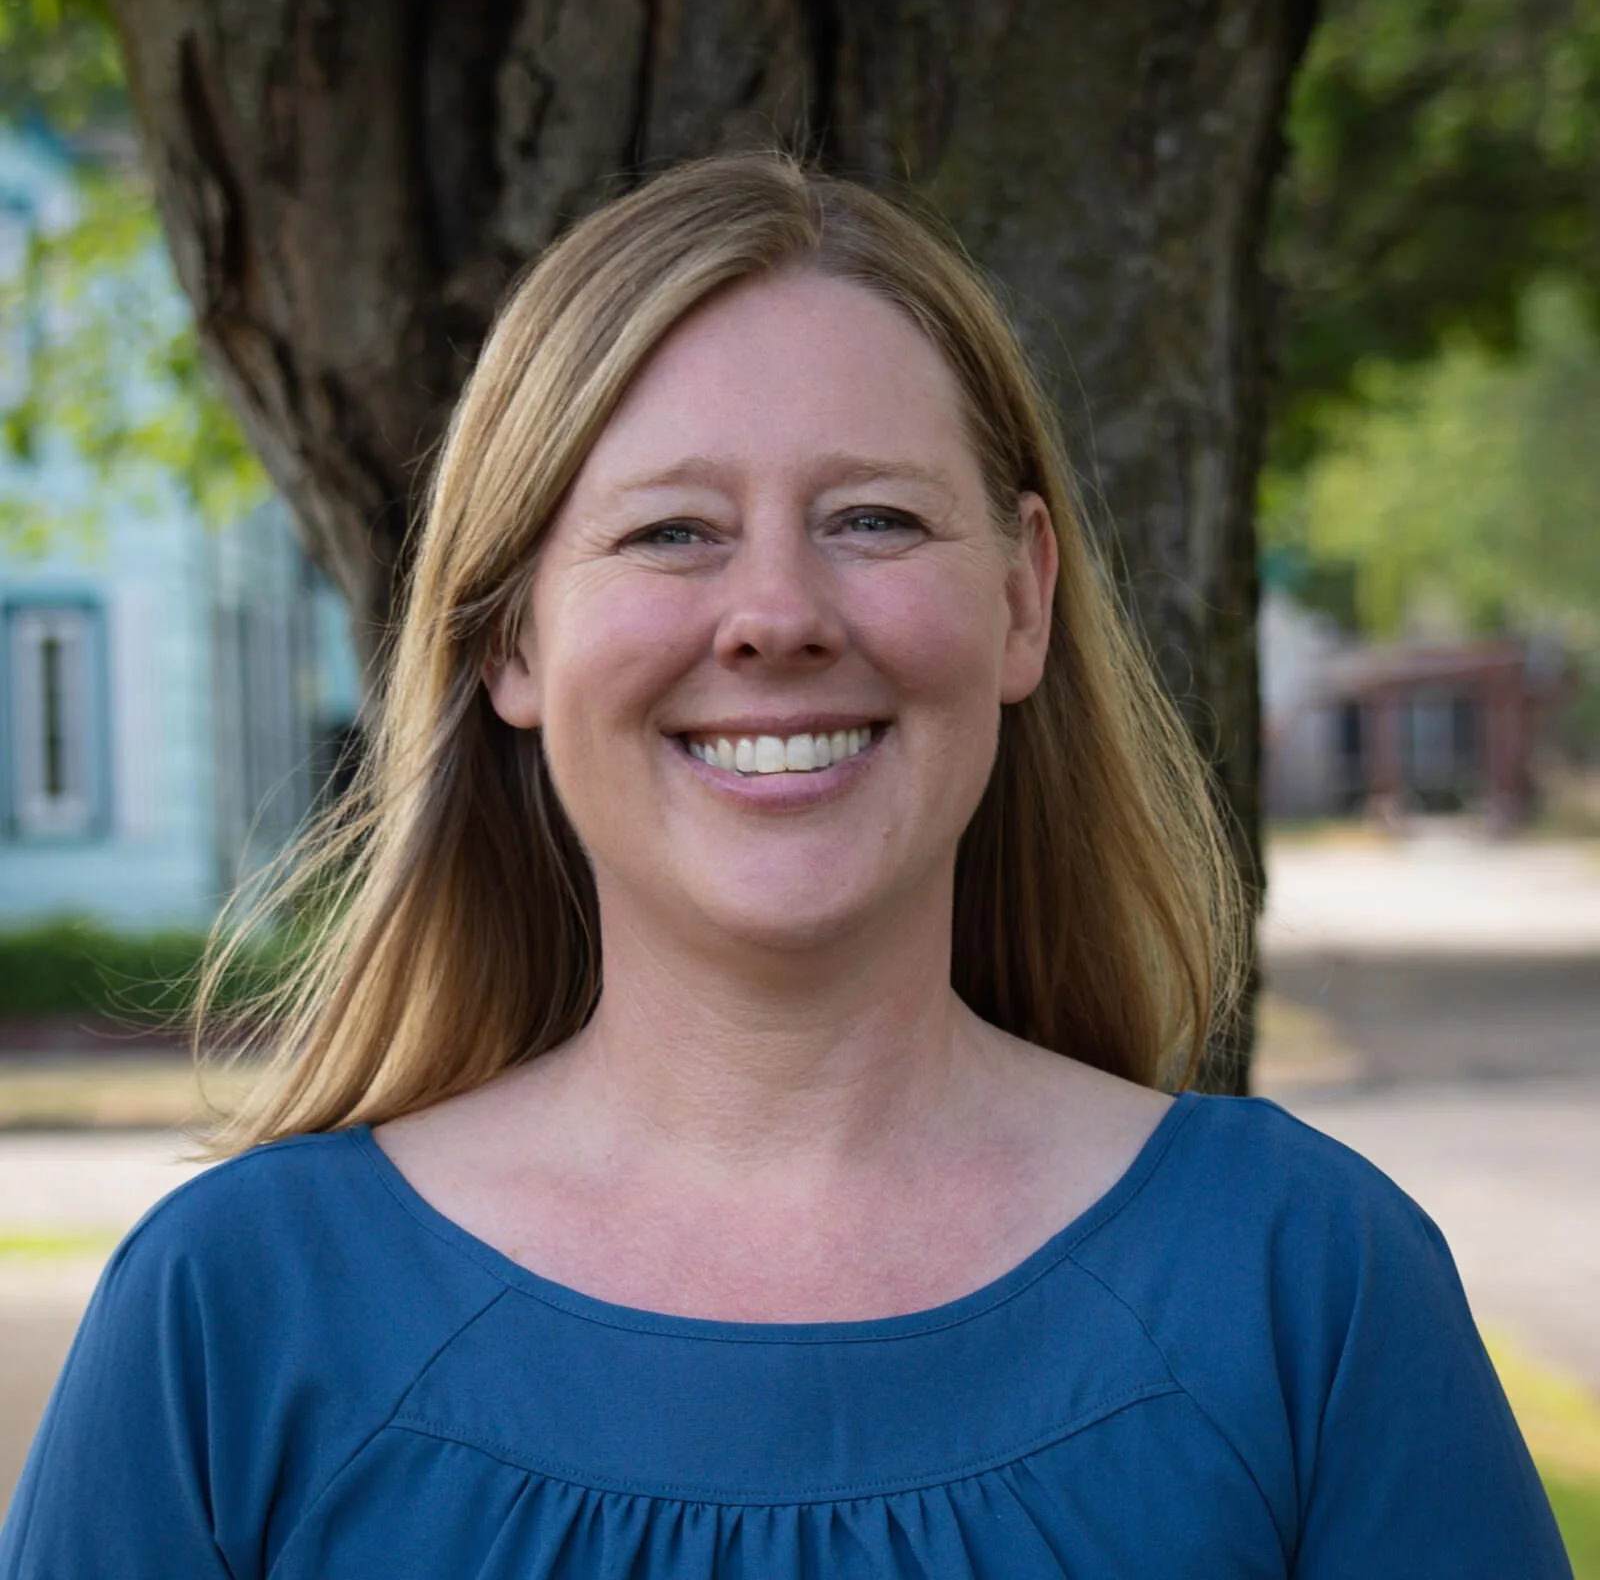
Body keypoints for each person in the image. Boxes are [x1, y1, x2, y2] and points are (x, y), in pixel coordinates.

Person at [0, 155, 1570, 1579]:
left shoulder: (1309, 1289)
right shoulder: (236, 1319)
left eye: (873, 519)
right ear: (509, 636)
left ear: (1022, 601)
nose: (776, 613)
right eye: (672, 532)